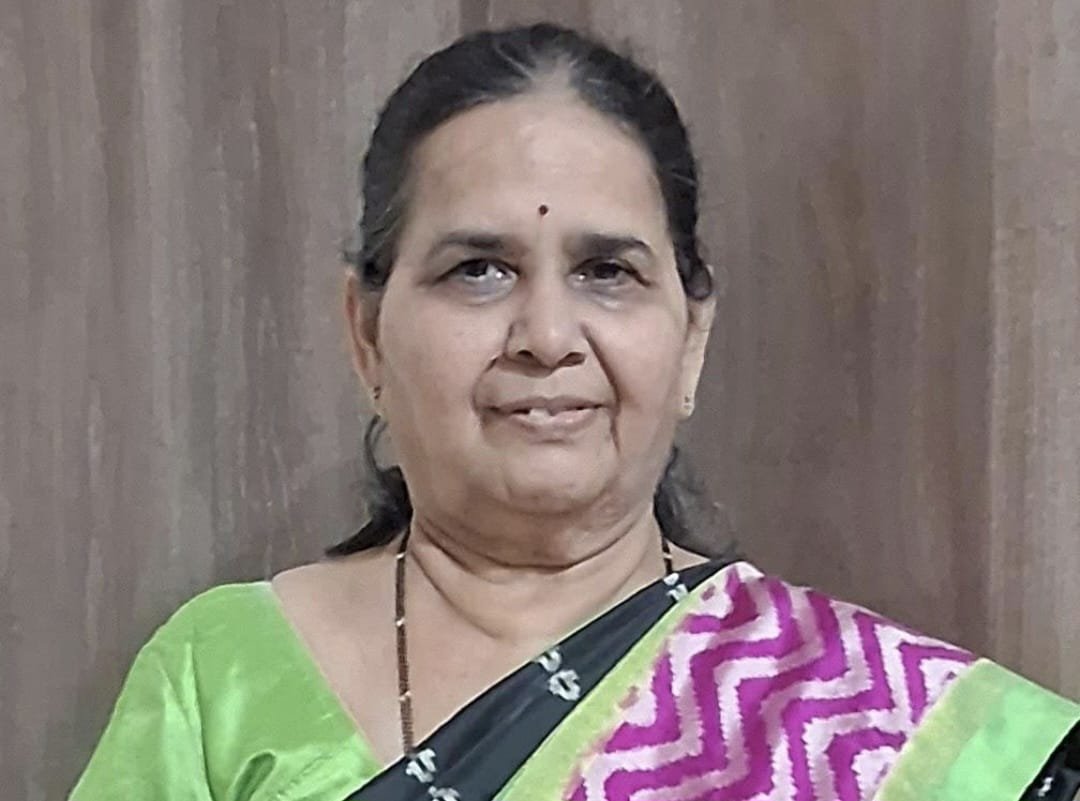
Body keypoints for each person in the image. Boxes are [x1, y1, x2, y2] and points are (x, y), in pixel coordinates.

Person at [70, 22, 1078, 801]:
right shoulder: (222, 679)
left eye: (607, 271)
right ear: (366, 331)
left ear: (691, 335)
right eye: (478, 269)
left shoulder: (861, 717)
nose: (547, 335)